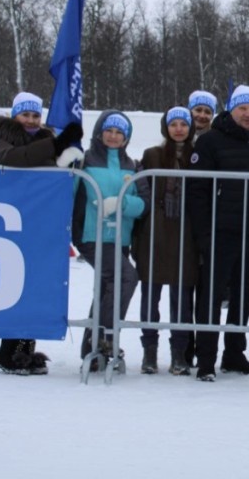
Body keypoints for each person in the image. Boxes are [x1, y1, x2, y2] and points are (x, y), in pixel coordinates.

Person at [187, 85, 249, 381]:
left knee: (244, 296)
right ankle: (206, 359)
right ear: (231, 110)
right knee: (211, 296)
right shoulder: (211, 141)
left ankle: (234, 353)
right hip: (220, 232)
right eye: (243, 108)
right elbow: (198, 192)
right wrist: (204, 233)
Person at [0, 91, 84, 374]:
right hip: (10, 226)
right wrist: (56, 144)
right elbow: (17, 159)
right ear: (13, 116)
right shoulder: (2, 140)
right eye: (25, 114)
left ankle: (25, 346)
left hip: (39, 225)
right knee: (14, 286)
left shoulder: (45, 140)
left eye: (35, 115)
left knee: (35, 286)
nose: (30, 120)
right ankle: (8, 350)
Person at [73, 110, 147, 372]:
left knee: (108, 286)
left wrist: (121, 202)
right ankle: (106, 338)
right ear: (99, 132)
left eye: (120, 132)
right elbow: (70, 193)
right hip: (91, 235)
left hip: (119, 237)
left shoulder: (133, 165)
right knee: (126, 277)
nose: (114, 136)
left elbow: (143, 204)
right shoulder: (85, 161)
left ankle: (92, 348)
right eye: (109, 131)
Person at [132, 107, 199, 375]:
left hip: (186, 230)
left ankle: (179, 354)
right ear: (165, 127)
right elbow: (143, 189)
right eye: (174, 124)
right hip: (156, 230)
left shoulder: (198, 155)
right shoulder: (153, 154)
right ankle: (149, 351)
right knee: (150, 295)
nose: (179, 129)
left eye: (184, 124)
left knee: (182, 297)